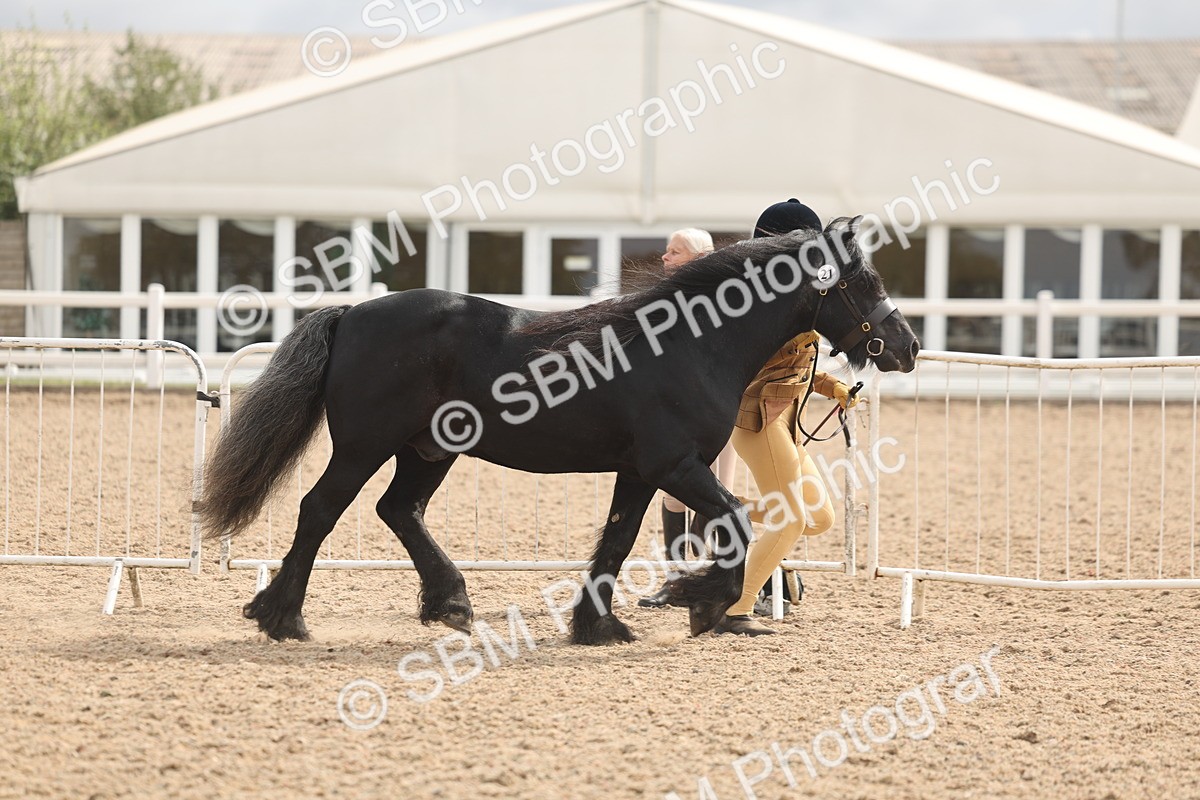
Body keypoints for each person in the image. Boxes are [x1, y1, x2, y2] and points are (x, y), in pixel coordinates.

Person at [712, 199, 857, 636]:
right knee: (791, 519)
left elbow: (797, 364)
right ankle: (734, 609)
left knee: (819, 518)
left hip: (787, 422)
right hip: (760, 421)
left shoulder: (793, 297)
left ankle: (728, 511)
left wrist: (833, 387)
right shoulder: (759, 301)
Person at [638, 228, 740, 609]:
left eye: (674, 252)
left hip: (718, 413)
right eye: (666, 251)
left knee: (719, 499)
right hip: (677, 414)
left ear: (698, 258)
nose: (664, 258)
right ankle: (676, 580)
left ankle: (733, 581)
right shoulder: (664, 296)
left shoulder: (726, 299)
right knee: (675, 497)